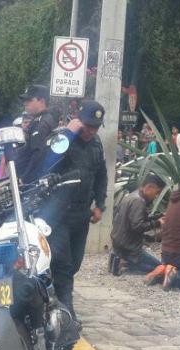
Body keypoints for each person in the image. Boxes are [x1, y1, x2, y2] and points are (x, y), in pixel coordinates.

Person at [42, 101, 108, 319]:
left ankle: (51, 295)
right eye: (88, 126)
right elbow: (46, 163)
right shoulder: (63, 139)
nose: (90, 131)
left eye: (95, 127)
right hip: (59, 213)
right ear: (78, 120)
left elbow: (101, 175)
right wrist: (67, 136)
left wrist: (100, 204)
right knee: (64, 264)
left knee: (75, 263)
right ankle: (66, 313)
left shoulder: (96, 144)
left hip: (81, 213)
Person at [110, 173, 166, 275]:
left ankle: (120, 260)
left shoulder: (133, 195)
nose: (156, 196)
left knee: (157, 267)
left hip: (119, 243)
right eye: (157, 192)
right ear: (149, 187)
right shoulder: (139, 201)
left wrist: (158, 216)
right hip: (129, 247)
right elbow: (137, 226)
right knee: (159, 267)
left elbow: (138, 219)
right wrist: (157, 223)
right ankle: (125, 263)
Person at [14, 84, 59, 183]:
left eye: (29, 100)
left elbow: (37, 155)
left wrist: (24, 178)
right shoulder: (37, 120)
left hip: (31, 181)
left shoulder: (43, 123)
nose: (25, 103)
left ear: (42, 101)